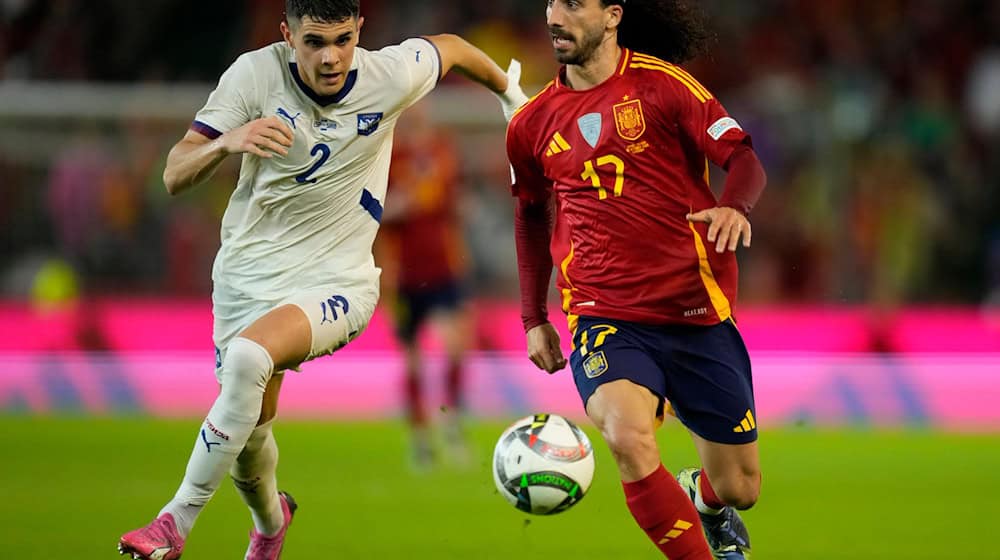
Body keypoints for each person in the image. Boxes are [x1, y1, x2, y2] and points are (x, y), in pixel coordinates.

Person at [117, 1, 527, 558]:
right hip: (247, 280)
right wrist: (225, 143)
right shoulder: (253, 76)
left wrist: (508, 94)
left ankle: (173, 523)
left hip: (340, 283)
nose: (331, 56)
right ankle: (270, 523)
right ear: (287, 35)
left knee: (247, 361)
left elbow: (451, 49)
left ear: (359, 30)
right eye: (314, 42)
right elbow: (173, 173)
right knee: (249, 433)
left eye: (342, 39)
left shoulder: (387, 75)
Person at [506, 1, 766, 559]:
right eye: (552, 1)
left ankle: (701, 498)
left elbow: (744, 158)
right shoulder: (530, 123)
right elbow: (530, 215)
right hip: (605, 314)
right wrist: (534, 319)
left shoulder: (666, 87)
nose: (556, 15)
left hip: (696, 314)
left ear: (612, 15)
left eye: (574, 4)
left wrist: (735, 207)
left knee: (741, 488)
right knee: (627, 436)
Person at [378, 101, 472, 469]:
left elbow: (453, 204)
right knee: (414, 360)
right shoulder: (389, 159)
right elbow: (372, 211)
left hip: (445, 268)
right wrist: (393, 209)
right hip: (404, 274)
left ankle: (452, 422)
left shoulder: (442, 154)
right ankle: (420, 438)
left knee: (455, 347)